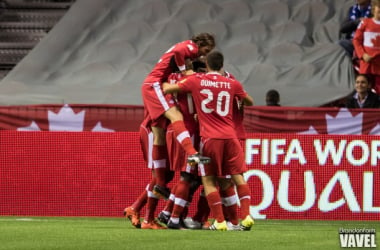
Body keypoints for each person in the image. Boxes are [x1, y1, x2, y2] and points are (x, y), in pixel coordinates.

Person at [163, 51, 254, 231]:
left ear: (207, 65)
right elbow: (249, 101)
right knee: (237, 178)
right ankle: (245, 216)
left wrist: (165, 81)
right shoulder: (232, 83)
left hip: (209, 139)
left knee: (208, 181)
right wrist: (239, 101)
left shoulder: (197, 81)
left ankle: (219, 221)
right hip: (231, 137)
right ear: (222, 65)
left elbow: (168, 89)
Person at [141, 33, 215, 200]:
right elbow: (179, 52)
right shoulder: (189, 47)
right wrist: (185, 70)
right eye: (206, 49)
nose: (204, 54)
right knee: (176, 117)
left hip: (152, 85)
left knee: (159, 137)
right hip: (155, 85)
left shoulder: (182, 65)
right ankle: (192, 153)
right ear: (200, 44)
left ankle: (159, 186)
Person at [353, 0, 380, 94]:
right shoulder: (365, 23)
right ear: (373, 9)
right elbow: (356, 40)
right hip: (366, 64)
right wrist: (363, 55)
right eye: (379, 7)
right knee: (364, 90)